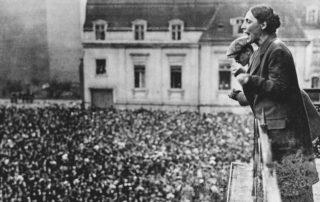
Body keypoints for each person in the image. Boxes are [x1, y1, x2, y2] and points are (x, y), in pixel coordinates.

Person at [230, 4, 319, 201]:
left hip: (289, 139)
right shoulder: (262, 51)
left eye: (248, 21)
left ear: (262, 25)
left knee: (295, 194)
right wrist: (239, 94)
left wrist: (248, 79)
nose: (243, 27)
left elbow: (280, 89)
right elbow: (259, 95)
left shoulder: (277, 50)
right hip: (277, 136)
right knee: (286, 193)